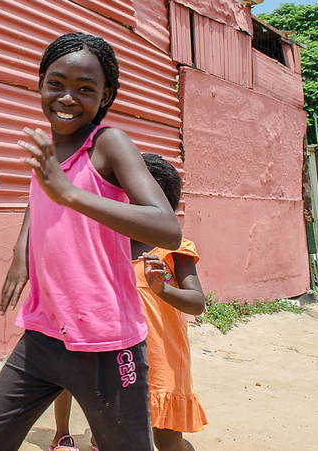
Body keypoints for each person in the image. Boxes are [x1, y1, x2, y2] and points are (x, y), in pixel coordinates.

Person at [0, 32, 182, 451]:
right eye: (56, 83)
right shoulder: (48, 149)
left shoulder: (108, 144)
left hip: (106, 340)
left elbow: (167, 227)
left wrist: (72, 194)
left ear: (105, 96)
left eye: (85, 89)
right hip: (44, 334)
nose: (67, 97)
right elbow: (38, 200)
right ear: (40, 82)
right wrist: (20, 252)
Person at [50, 153, 208, 451]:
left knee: (167, 442)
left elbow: (196, 302)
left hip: (164, 365)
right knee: (106, 439)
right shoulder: (109, 246)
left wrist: (164, 291)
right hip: (118, 363)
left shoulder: (173, 249)